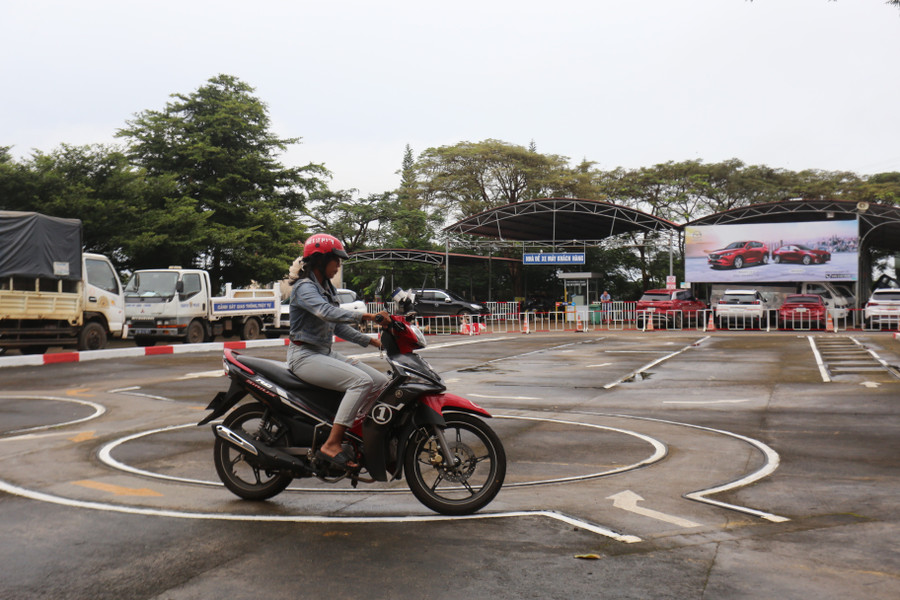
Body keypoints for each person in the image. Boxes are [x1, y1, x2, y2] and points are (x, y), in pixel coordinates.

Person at [287, 233, 389, 470]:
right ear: (321, 260)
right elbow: (326, 312)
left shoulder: (326, 288)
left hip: (323, 353)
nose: (338, 266)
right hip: (304, 356)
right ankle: (332, 443)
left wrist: (375, 343)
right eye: (336, 260)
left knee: (381, 382)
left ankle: (354, 433)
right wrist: (367, 316)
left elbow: (338, 327)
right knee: (361, 382)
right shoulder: (305, 288)